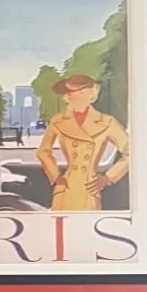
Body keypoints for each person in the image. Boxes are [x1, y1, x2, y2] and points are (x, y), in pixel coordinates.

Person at [36, 74, 129, 212]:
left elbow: (132, 152)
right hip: (65, 188)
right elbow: (43, 152)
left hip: (89, 187)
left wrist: (108, 178)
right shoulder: (58, 121)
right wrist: (56, 177)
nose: (68, 98)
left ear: (88, 94)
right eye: (68, 94)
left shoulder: (106, 122)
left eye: (73, 93)